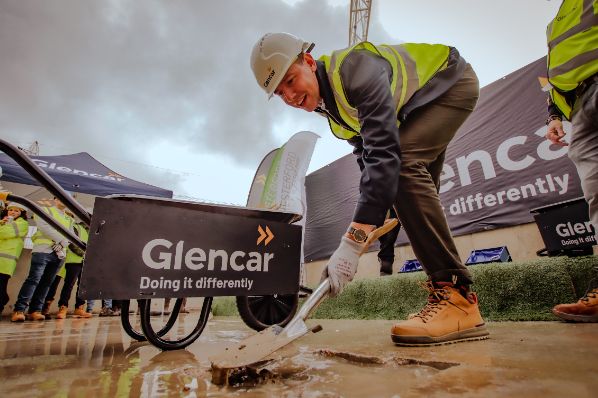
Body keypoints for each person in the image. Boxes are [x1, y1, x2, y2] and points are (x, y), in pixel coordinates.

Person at [250, 33, 488, 345]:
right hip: (413, 111)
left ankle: (455, 299)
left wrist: (352, 240)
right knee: (406, 193)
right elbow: (368, 159)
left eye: (291, 81)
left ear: (308, 62)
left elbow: (385, 157)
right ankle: (456, 297)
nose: (290, 96)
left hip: (448, 85)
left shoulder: (355, 71)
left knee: (401, 172)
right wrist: (373, 214)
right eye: (280, 93)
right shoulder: (331, 110)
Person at [543, 0, 598, 323]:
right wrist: (553, 114)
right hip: (579, 105)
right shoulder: (557, 21)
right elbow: (555, 73)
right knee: (595, 191)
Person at [11, 197, 72, 322]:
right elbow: (44, 227)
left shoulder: (69, 219)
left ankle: (35, 310)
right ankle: (19, 310)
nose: (64, 200)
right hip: (42, 250)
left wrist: (62, 244)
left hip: (59, 253)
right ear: (55, 199)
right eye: (61, 197)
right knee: (34, 279)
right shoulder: (45, 210)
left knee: (47, 283)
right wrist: (61, 240)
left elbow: (71, 235)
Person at [43, 219, 91, 319]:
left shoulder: (92, 230)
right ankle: (63, 307)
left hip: (86, 261)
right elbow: (72, 243)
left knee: (82, 286)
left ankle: (79, 308)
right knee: (68, 284)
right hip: (73, 260)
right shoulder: (76, 227)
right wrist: (83, 253)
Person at [0, 202, 29, 317]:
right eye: (11, 210)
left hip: (7, 259)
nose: (13, 212)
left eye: (17, 211)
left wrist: (4, 224)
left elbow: (5, 233)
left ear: (22, 213)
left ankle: (2, 303)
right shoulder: (4, 222)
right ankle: (3, 300)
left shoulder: (23, 224)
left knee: (1, 284)